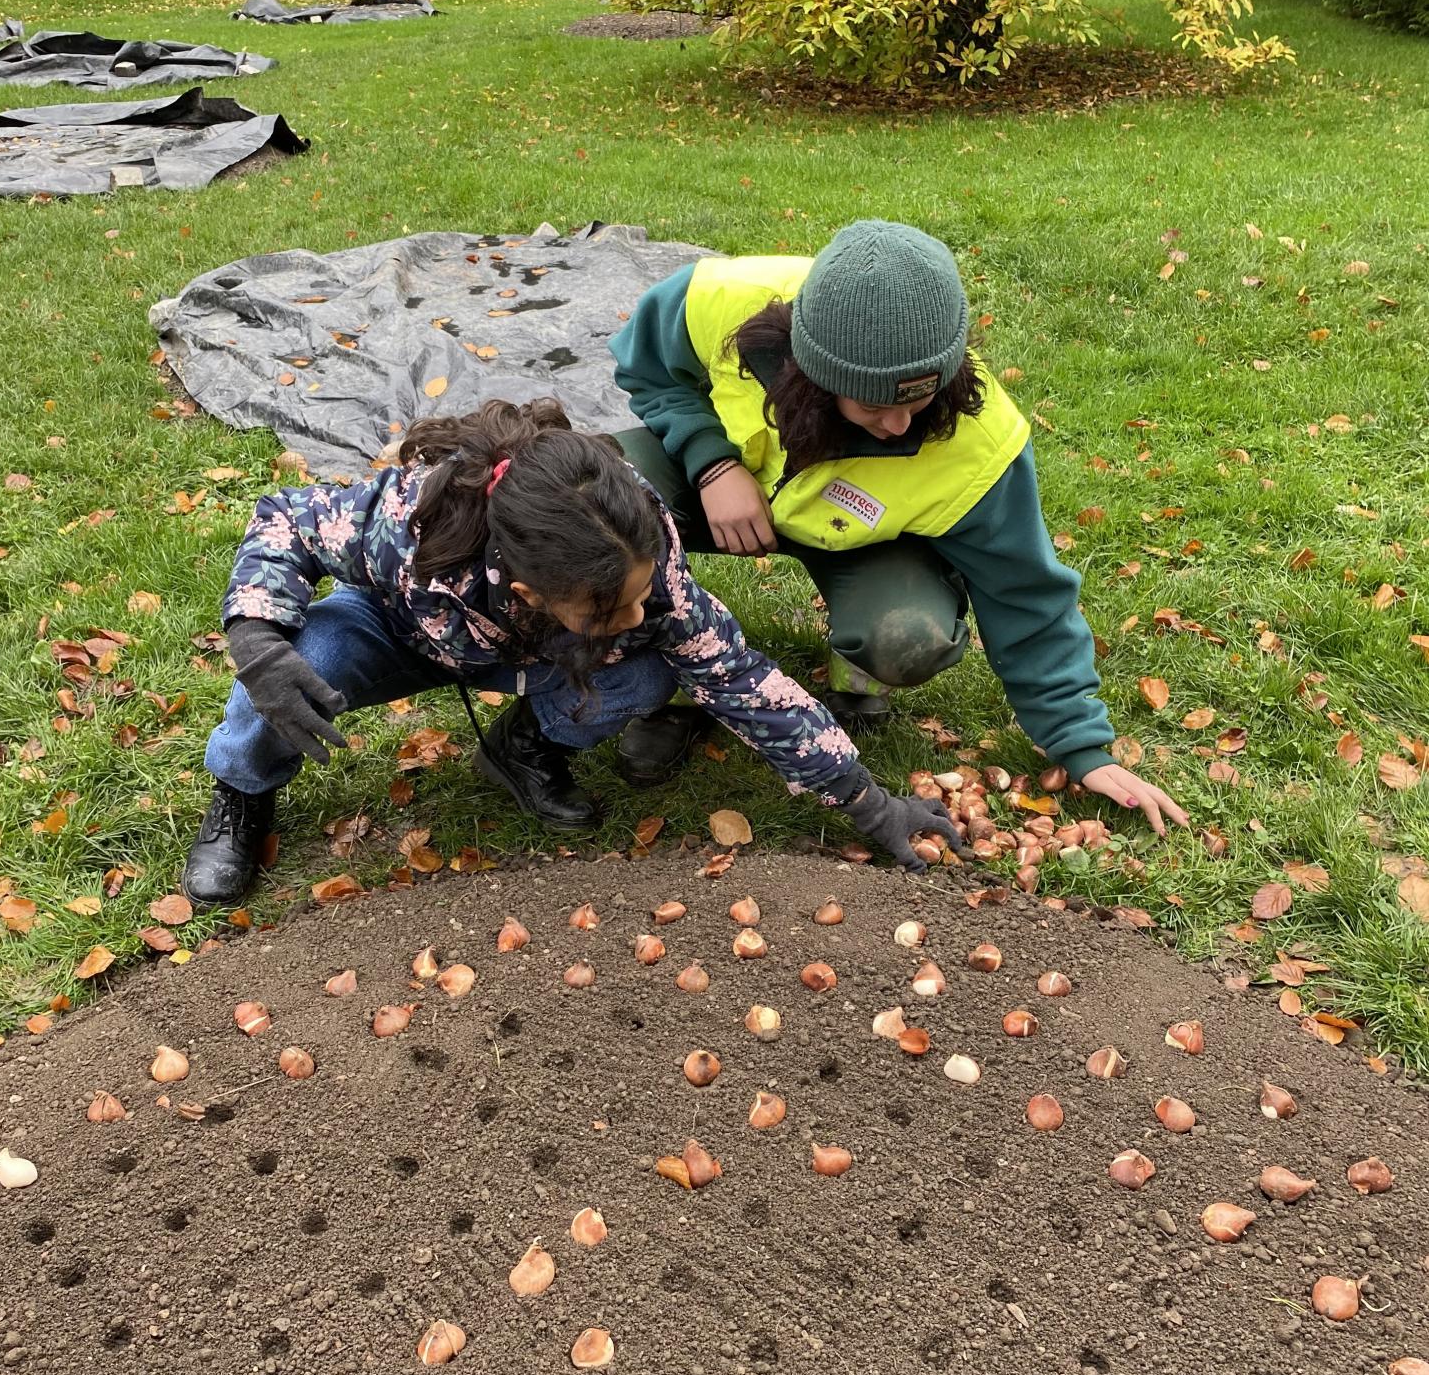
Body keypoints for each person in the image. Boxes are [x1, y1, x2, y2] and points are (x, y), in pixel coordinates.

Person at [181, 397, 965, 904]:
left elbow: (745, 683)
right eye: (612, 606)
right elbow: (284, 518)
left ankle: (523, 747)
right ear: (529, 591)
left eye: (639, 591)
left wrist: (868, 801)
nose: (638, 612)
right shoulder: (404, 526)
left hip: (532, 651)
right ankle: (243, 796)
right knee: (284, 673)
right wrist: (257, 637)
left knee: (654, 666)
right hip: (397, 627)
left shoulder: (638, 548)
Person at [609, 218, 1187, 835]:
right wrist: (710, 460)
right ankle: (671, 675)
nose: (901, 426)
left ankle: (856, 675)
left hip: (861, 539)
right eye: (875, 408)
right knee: (600, 503)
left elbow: (1025, 592)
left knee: (909, 636)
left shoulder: (982, 444)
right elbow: (647, 369)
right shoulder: (726, 298)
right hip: (722, 488)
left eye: (917, 401)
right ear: (816, 376)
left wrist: (1079, 743)